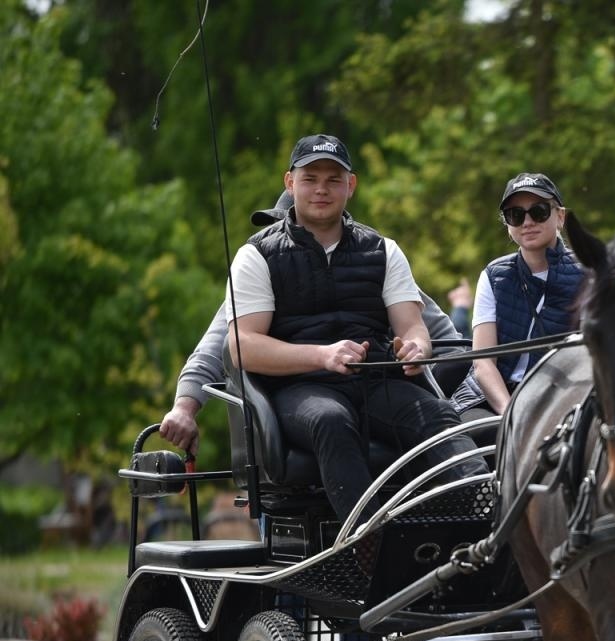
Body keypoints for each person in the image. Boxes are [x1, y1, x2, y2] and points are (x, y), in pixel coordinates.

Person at [222, 134, 486, 520]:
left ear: (351, 185)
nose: (322, 189)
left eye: (334, 179)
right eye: (310, 179)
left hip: (376, 381)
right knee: (331, 420)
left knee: (438, 415)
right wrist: (322, 356)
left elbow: (413, 328)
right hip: (300, 389)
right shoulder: (257, 255)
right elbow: (242, 346)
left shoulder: (383, 250)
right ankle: (365, 541)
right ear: (290, 183)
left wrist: (417, 349)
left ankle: (485, 514)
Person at [158, 192, 467, 454]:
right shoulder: (260, 277)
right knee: (330, 420)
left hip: (377, 391)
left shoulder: (369, 269)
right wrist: (184, 407)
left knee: (431, 415)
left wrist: (420, 364)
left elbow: (443, 338)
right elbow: (218, 347)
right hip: (301, 402)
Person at [451, 172, 585, 435]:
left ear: (560, 216)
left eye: (539, 211)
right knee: (470, 437)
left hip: (561, 399)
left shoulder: (589, 275)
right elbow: (483, 363)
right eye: (515, 215)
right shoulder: (493, 275)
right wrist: (509, 412)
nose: (527, 222)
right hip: (490, 399)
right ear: (507, 224)